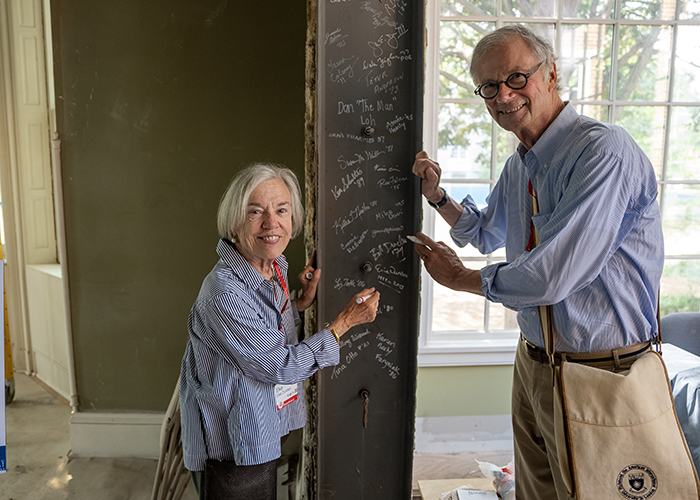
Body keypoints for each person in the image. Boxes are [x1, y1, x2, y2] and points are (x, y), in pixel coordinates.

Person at [411, 25, 663, 500]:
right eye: (489, 87)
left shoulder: (603, 151)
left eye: (516, 78)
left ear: (550, 75)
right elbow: (486, 231)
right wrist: (437, 197)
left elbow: (554, 273)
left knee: (595, 492)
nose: (503, 94)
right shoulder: (521, 163)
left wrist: (462, 279)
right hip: (533, 362)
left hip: (603, 370)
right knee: (536, 492)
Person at [179, 163, 380, 499]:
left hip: (259, 420)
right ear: (234, 220)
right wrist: (343, 323)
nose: (271, 223)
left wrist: (299, 303)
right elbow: (279, 365)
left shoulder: (272, 267)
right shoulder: (224, 292)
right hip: (233, 436)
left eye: (281, 210)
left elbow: (259, 332)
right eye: (255, 212)